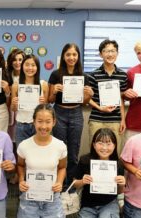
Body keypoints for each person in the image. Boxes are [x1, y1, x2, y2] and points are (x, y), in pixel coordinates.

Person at [16, 104, 67, 218]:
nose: (43, 126)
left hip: (52, 197)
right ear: (33, 121)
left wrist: (59, 182)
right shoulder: (24, 145)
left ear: (54, 122)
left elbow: (62, 167)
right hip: (30, 197)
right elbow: (20, 165)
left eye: (48, 122)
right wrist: (21, 180)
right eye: (40, 121)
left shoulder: (60, 146)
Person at [48, 43, 93, 187]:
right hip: (59, 113)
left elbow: (84, 103)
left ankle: (70, 186)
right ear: (63, 56)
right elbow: (49, 100)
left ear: (78, 56)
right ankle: (58, 184)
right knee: (59, 150)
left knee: (73, 151)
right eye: (68, 55)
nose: (71, 57)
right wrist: (54, 90)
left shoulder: (84, 76)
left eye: (74, 54)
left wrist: (88, 95)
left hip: (76, 113)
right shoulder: (56, 74)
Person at [74, 128, 125, 218]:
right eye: (100, 143)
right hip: (88, 206)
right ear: (94, 144)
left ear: (115, 145)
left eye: (108, 143)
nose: (104, 148)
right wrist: (82, 181)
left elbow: (120, 192)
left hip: (108, 204)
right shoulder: (85, 160)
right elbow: (75, 184)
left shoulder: (118, 164)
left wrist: (122, 184)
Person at [88, 39, 127, 150]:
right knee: (96, 151)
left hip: (115, 120)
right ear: (101, 54)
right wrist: (100, 108)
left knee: (115, 152)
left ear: (117, 53)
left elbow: (121, 99)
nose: (110, 54)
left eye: (113, 51)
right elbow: (87, 99)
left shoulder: (123, 75)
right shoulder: (93, 75)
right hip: (97, 120)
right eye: (106, 51)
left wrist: (123, 120)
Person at [11, 54, 48, 145]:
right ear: (22, 66)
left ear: (37, 67)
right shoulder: (16, 85)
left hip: (38, 125)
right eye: (27, 64)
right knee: (21, 154)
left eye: (33, 65)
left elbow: (46, 109)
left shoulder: (43, 84)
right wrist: (14, 103)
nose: (30, 68)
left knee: (38, 154)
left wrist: (43, 103)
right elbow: (13, 109)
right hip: (21, 125)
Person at [7, 49, 25, 143]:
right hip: (8, 111)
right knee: (9, 140)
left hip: (23, 112)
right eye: (14, 60)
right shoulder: (6, 76)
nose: (17, 63)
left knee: (20, 140)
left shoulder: (29, 76)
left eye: (20, 59)